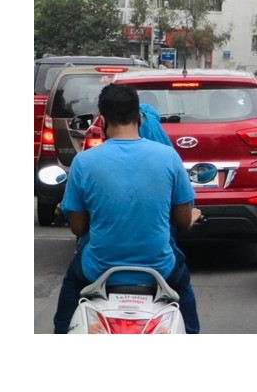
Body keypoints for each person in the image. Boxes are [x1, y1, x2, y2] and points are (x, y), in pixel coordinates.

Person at [53, 83, 201, 333]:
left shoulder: (84, 162)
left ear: (102, 120)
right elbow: (182, 220)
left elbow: (78, 228)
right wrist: (194, 216)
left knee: (67, 304)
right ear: (140, 117)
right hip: (160, 268)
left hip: (97, 269)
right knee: (185, 294)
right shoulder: (168, 157)